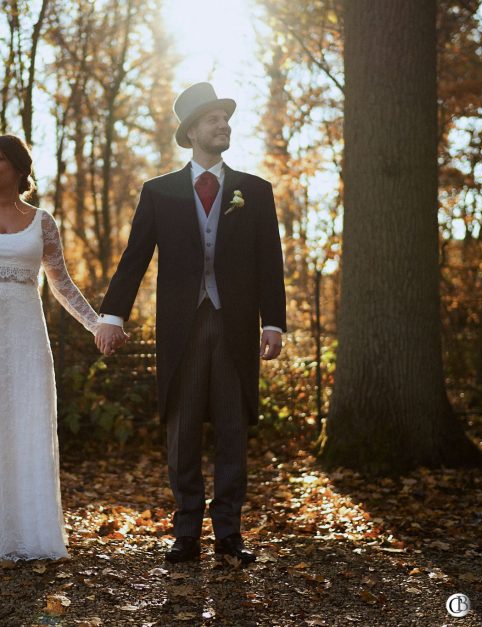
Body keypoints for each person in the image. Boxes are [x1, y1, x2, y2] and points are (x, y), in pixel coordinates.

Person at [94, 82, 286, 565]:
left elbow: (270, 262)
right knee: (181, 434)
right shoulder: (158, 192)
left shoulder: (255, 191)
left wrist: (274, 323)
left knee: (232, 431)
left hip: (235, 326)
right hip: (180, 329)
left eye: (226, 118)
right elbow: (134, 258)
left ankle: (228, 535)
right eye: (212, 119)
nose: (223, 125)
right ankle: (186, 534)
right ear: (192, 131)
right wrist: (113, 316)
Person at [0, 135, 99, 566]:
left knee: (24, 424)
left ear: (18, 167)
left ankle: (28, 533)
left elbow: (61, 283)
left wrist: (96, 323)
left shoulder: (42, 222)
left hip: (26, 338)